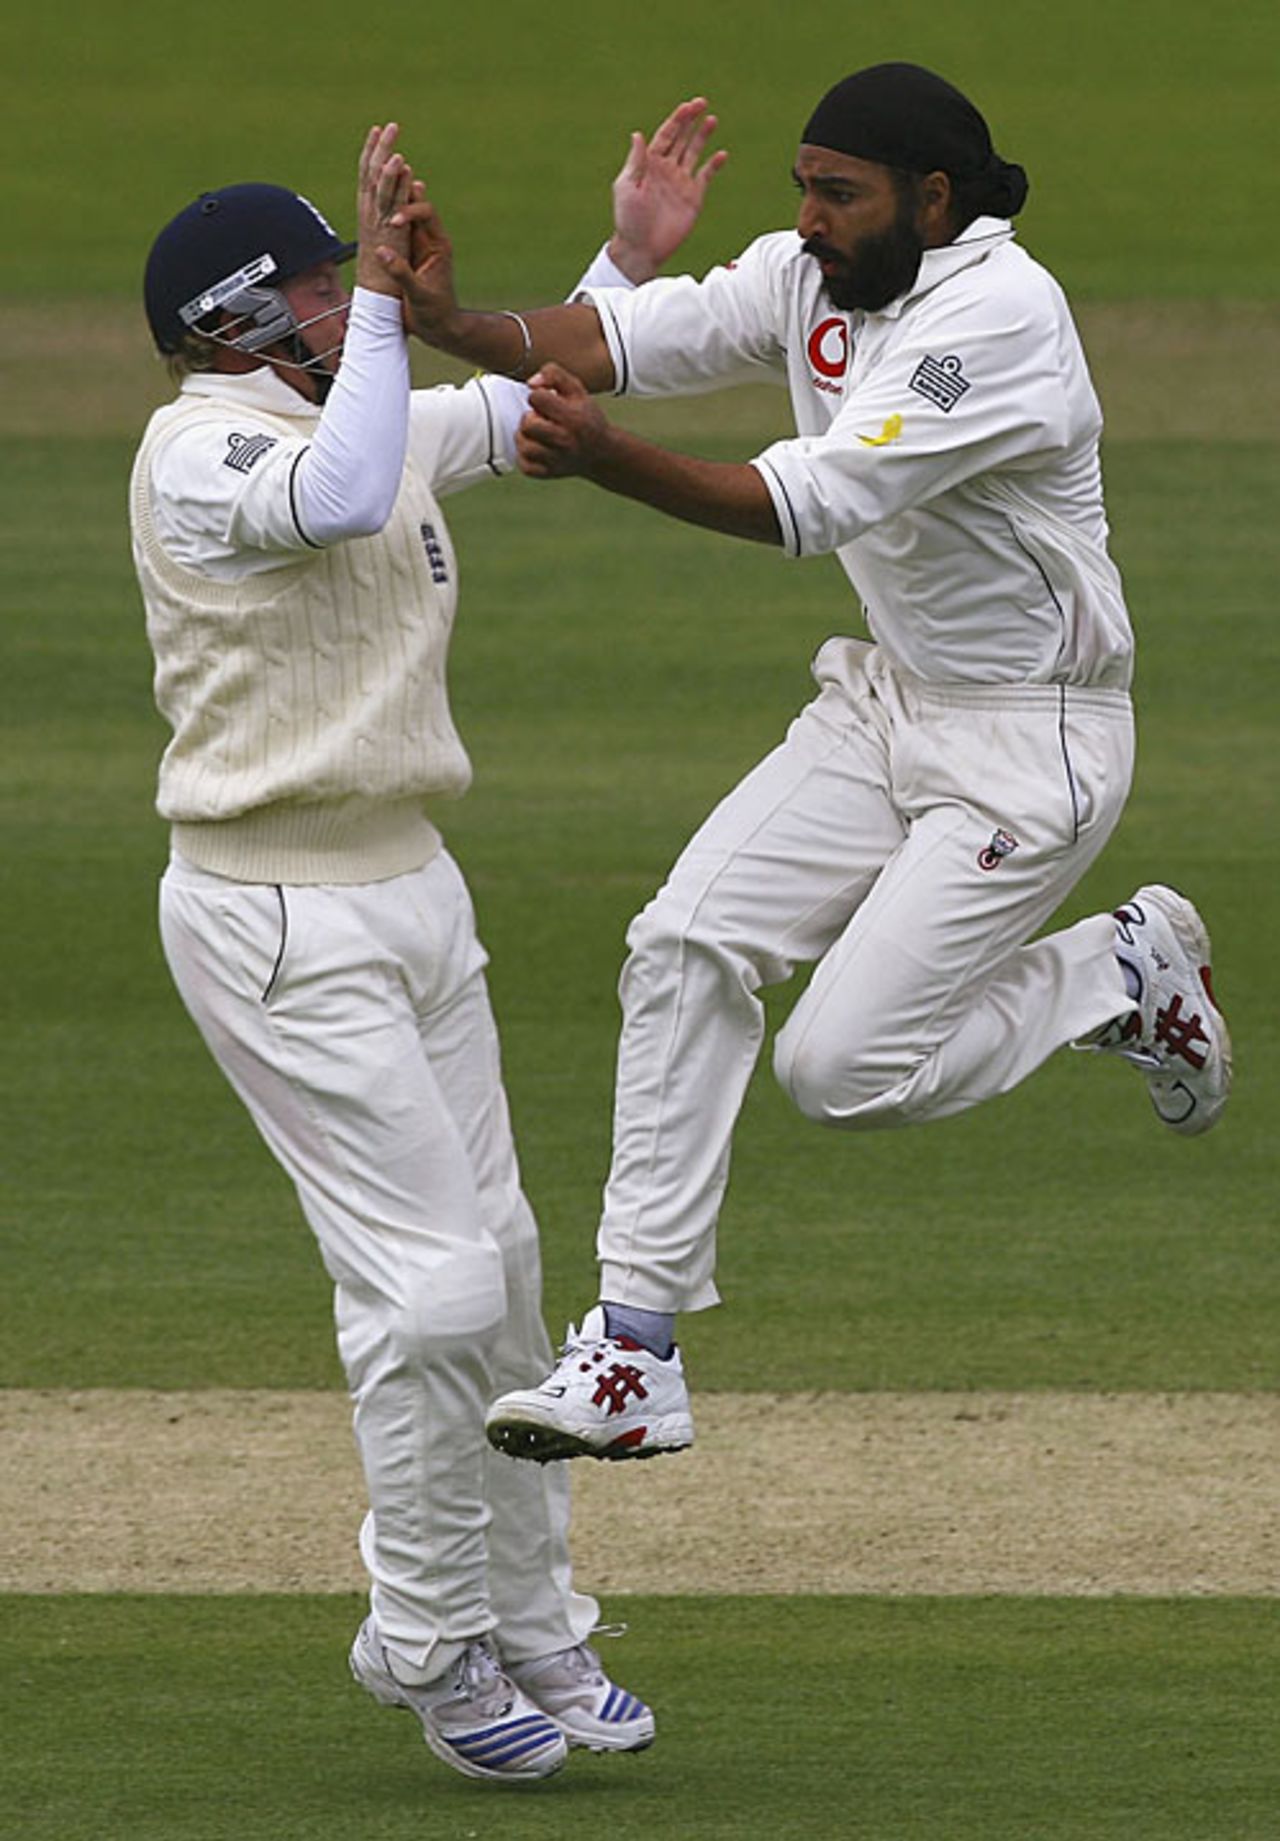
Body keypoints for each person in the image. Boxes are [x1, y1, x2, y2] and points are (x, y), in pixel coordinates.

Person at [379, 62, 1233, 1465]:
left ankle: (1115, 973)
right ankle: (632, 1353)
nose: (809, 218)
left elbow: (808, 504)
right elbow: (625, 334)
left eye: (840, 193)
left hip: (1035, 738)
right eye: (804, 188)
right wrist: (449, 319)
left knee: (840, 1070)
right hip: (888, 698)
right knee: (682, 941)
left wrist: (601, 460)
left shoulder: (999, 323)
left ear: (933, 198)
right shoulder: (813, 277)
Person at [130, 107, 725, 1782]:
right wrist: (386, 320)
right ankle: (425, 1639)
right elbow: (334, 494)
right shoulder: (203, 448)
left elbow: (509, 411)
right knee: (432, 1286)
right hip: (271, 908)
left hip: (414, 887)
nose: (345, 305)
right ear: (236, 321)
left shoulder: (356, 401)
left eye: (348, 282)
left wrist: (627, 267)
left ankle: (534, 1618)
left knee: (509, 1277)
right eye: (316, 289)